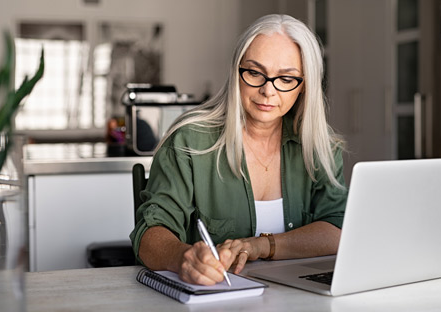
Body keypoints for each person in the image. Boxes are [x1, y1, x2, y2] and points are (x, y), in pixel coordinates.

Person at [129, 14, 348, 286]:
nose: (268, 91)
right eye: (255, 73)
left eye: (286, 78)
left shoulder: (320, 145)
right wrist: (182, 257)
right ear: (237, 72)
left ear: (304, 86)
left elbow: (338, 230)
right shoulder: (188, 140)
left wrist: (261, 246)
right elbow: (149, 234)